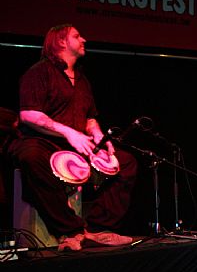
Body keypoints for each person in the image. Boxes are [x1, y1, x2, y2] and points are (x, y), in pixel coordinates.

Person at [8, 24, 137, 251]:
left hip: (77, 144)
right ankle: (71, 231)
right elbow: (29, 115)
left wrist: (98, 136)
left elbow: (90, 119)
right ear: (60, 41)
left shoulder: (82, 80)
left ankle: (98, 229)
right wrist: (69, 132)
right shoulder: (39, 72)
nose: (84, 39)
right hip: (43, 141)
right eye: (77, 36)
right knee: (32, 158)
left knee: (125, 163)